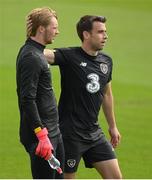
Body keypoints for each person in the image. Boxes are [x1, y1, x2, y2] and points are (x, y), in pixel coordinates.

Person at [44, 15, 122, 179]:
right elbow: (41, 53)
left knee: (116, 177)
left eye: (105, 32)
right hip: (70, 135)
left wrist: (112, 126)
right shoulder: (70, 56)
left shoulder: (106, 61)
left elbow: (107, 94)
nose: (105, 36)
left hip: (94, 133)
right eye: (100, 32)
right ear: (86, 34)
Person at [16, 7, 64, 179]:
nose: (57, 32)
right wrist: (41, 135)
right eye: (54, 27)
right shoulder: (32, 57)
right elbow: (27, 99)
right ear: (41, 28)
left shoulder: (36, 52)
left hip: (53, 132)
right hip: (43, 136)